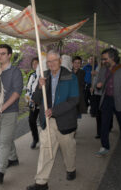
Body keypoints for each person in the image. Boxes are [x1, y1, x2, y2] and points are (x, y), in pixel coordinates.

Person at [26, 50, 79, 190]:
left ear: (60, 61)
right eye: (48, 61)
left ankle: (71, 168)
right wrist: (39, 86)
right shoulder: (44, 76)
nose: (51, 64)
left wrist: (54, 110)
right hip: (47, 121)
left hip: (65, 120)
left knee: (68, 148)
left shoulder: (70, 77)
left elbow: (74, 100)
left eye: (54, 60)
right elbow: (36, 99)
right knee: (45, 150)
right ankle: (41, 182)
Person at [0, 44, 23, 184]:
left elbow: (16, 93)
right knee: (6, 136)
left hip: (10, 111)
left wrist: (2, 108)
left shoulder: (15, 72)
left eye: (3, 53)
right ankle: (13, 158)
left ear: (9, 55)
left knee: (4, 141)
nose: (0, 56)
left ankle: (0, 171)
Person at [95, 48, 121, 157]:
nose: (103, 61)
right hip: (106, 99)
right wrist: (98, 86)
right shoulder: (102, 70)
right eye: (102, 59)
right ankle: (104, 146)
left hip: (120, 99)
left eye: (105, 59)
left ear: (112, 58)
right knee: (104, 124)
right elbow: (98, 83)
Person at [25, 57, 40, 149]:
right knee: (31, 120)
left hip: (42, 103)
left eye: (37, 63)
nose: (35, 65)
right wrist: (28, 99)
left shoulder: (44, 75)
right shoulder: (32, 75)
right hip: (32, 103)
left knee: (45, 122)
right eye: (33, 64)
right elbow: (28, 88)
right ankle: (35, 138)